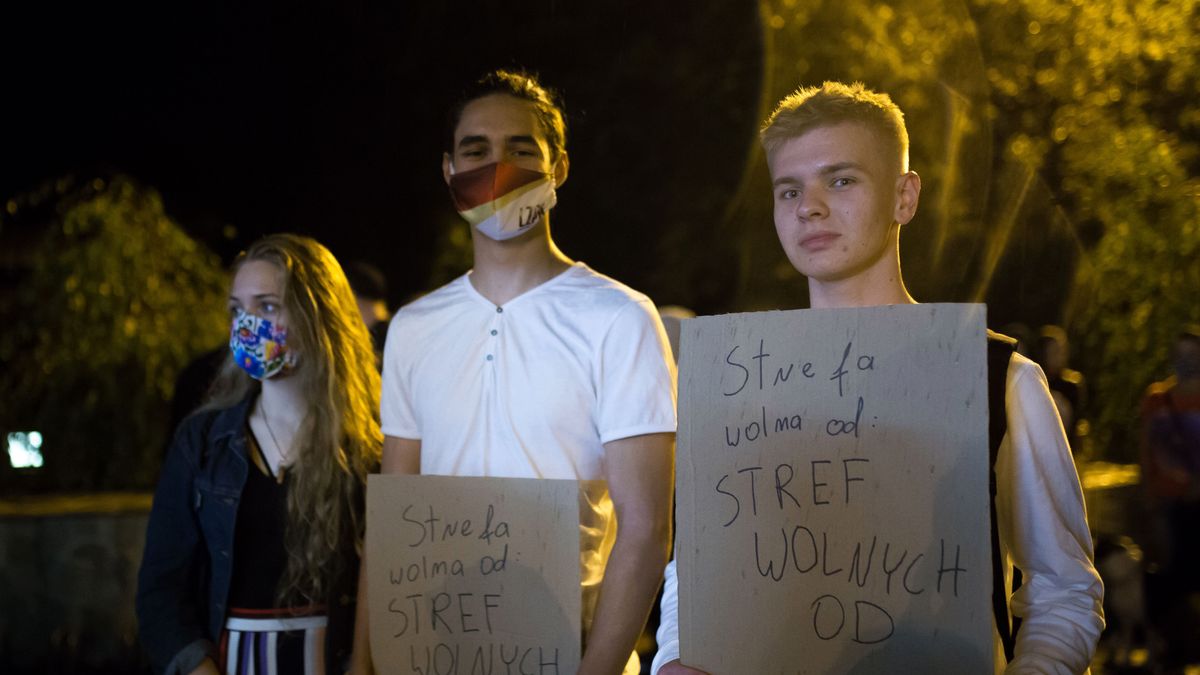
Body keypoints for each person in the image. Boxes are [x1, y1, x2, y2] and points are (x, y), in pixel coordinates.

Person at [652, 82, 1103, 674]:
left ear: (904, 196)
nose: (809, 206)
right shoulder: (734, 385)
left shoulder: (997, 378)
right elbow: (697, 572)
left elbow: (1065, 588)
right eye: (789, 189)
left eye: (840, 179)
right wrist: (674, 658)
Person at [352, 70, 677, 675]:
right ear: (449, 172)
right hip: (432, 654)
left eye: (521, 149)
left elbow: (647, 527)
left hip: (573, 655)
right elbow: (392, 519)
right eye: (476, 150)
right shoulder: (414, 327)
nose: (497, 167)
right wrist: (361, 663)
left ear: (558, 170)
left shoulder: (620, 318)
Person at [137, 234, 382, 675]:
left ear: (317, 315)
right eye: (237, 310)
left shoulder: (368, 444)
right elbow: (161, 589)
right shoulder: (202, 440)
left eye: (267, 306)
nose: (247, 325)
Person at [1037, 325, 1088, 454]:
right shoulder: (1037, 381)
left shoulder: (1072, 384)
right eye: (1053, 351)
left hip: (1065, 448)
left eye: (1061, 350)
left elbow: (1078, 421)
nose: (1059, 356)